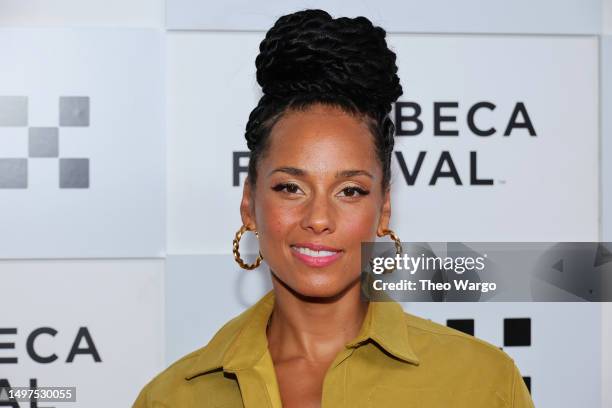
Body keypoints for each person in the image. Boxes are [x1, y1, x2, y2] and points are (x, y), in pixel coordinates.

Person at [133, 9, 534, 408]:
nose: (319, 219)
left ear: (384, 209)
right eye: (290, 187)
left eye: (350, 191)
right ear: (249, 205)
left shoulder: (481, 382)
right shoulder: (174, 397)